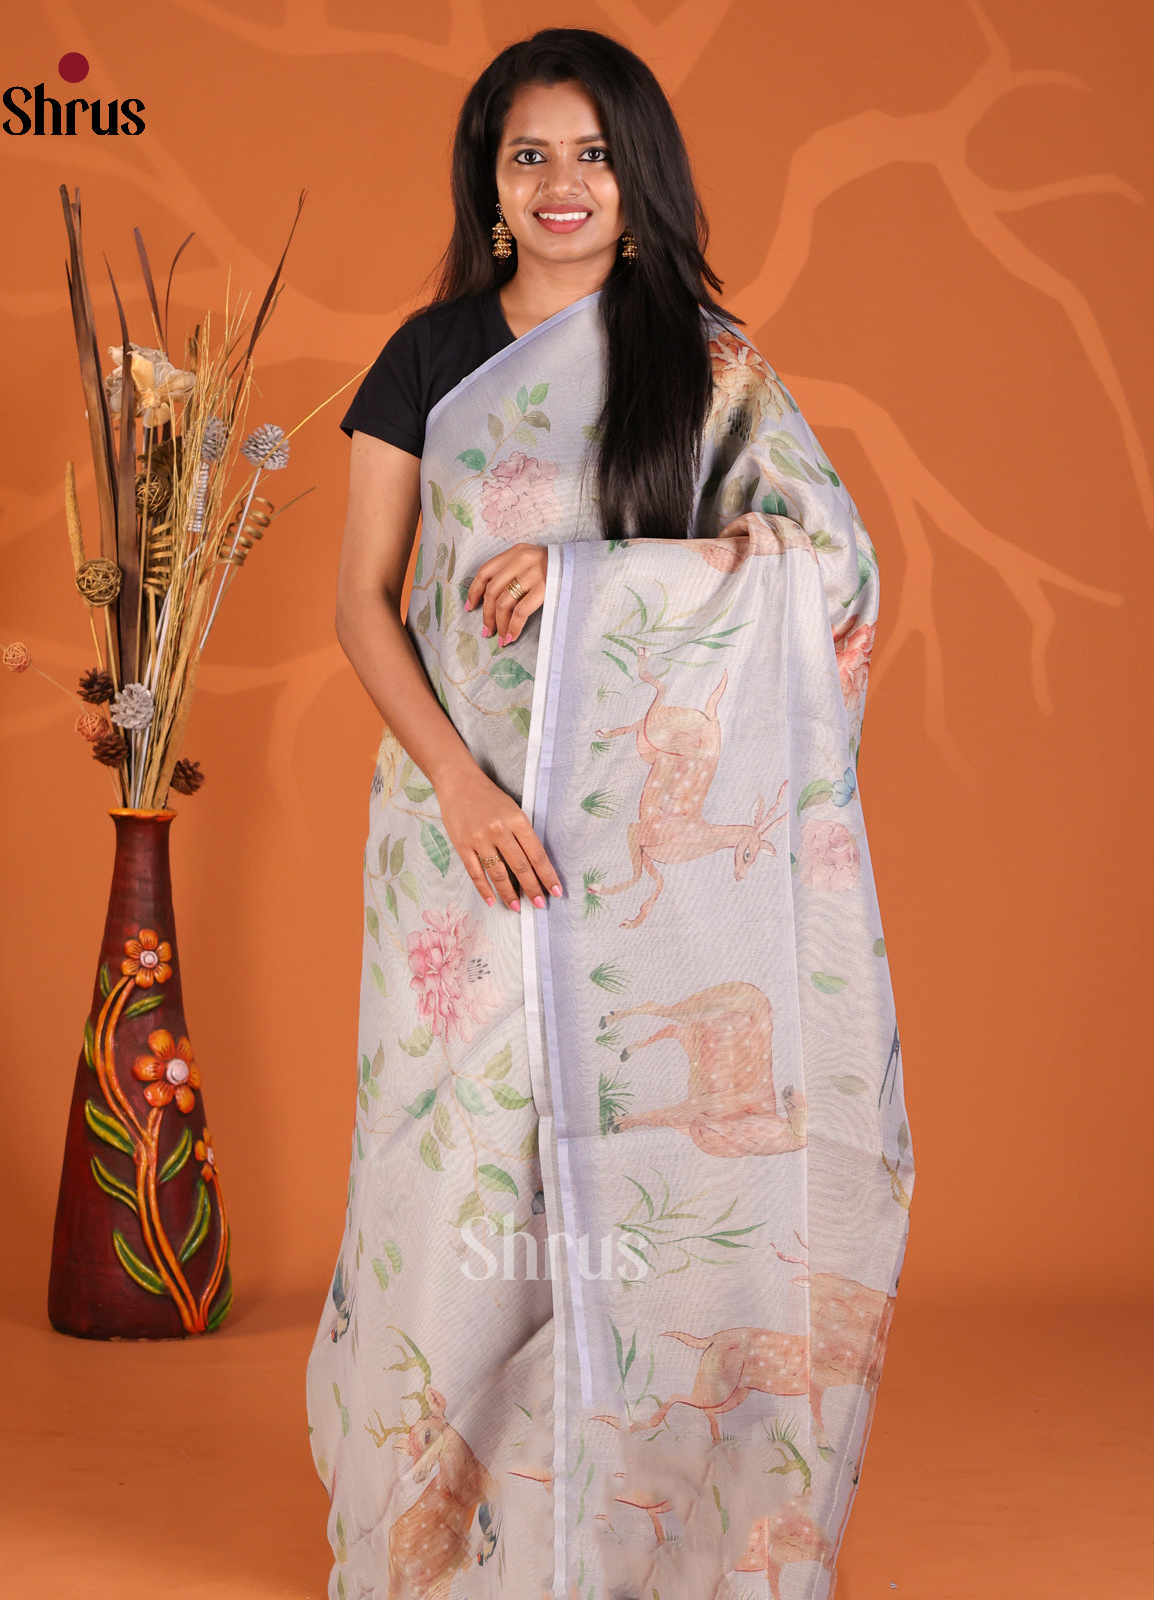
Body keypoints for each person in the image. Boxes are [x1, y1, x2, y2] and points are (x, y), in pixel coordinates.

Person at [306, 27, 915, 1600]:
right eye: (530, 156)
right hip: (458, 843)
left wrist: (597, 580)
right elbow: (364, 602)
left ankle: (633, 1526)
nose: (562, 184)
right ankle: (450, 1541)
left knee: (634, 1168)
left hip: (641, 868)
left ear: (638, 182)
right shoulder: (430, 358)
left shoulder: (705, 364)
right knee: (460, 1172)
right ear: (490, 183)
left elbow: (831, 571)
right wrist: (459, 787)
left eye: (591, 155)